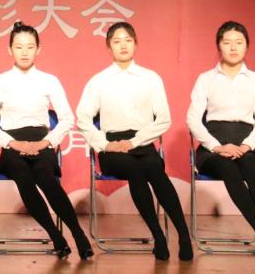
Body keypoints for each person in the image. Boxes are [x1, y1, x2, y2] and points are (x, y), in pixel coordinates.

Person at [76, 22, 193, 261]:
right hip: (112, 148)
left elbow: (163, 119)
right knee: (135, 171)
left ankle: (183, 235)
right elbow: (83, 119)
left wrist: (135, 141)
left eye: (128, 40)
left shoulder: (150, 78)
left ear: (136, 43)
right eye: (117, 41)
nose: (123, 46)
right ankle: (158, 236)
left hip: (142, 143)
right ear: (109, 46)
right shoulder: (99, 81)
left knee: (155, 170)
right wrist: (105, 144)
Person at [0, 21, 93, 260]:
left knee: (46, 178)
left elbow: (67, 118)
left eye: (30, 47)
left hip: (41, 142)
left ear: (38, 49)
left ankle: (78, 234)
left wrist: (47, 142)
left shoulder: (49, 80)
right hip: (13, 144)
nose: (24, 52)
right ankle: (56, 236)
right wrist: (13, 143)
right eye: (19, 47)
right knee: (24, 178)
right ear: (9, 49)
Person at [186, 21, 255, 262]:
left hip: (245, 144)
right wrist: (216, 146)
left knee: (250, 166)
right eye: (227, 42)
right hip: (212, 147)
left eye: (239, 42)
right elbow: (193, 119)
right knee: (228, 167)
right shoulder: (205, 79)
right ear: (219, 46)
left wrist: (246, 146)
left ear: (247, 46)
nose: (233, 47)